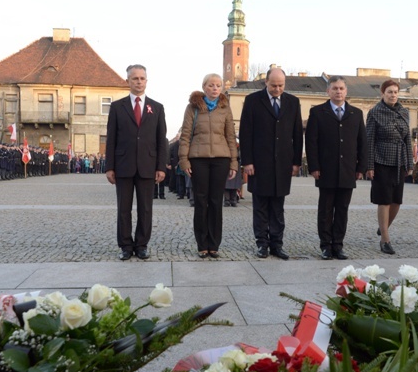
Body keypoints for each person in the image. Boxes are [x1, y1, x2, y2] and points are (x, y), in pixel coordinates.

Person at [239, 68, 303, 260]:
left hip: (283, 164)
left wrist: (296, 162)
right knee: (260, 207)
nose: (277, 89)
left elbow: (297, 134)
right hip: (259, 163)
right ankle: (262, 244)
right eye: (273, 85)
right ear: (265, 82)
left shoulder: (293, 102)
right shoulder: (252, 101)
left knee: (278, 207)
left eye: (281, 85)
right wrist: (247, 161)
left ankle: (277, 244)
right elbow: (245, 133)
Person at [105, 64, 167, 261]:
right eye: (135, 78)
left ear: (146, 81)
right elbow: (111, 138)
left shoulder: (156, 108)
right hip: (123, 165)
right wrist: (109, 167)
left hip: (148, 165)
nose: (139, 82)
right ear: (128, 81)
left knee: (145, 208)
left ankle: (141, 245)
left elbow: (161, 140)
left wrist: (161, 166)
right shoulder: (117, 107)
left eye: (142, 78)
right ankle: (125, 245)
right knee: (124, 209)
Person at [305, 76, 367, 260]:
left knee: (342, 210)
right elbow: (311, 142)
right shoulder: (317, 112)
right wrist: (314, 166)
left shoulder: (356, 113)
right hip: (325, 169)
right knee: (325, 210)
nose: (338, 91)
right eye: (334, 88)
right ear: (328, 91)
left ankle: (338, 245)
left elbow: (362, 142)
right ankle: (325, 245)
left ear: (346, 91)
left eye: (341, 88)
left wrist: (361, 167)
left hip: (348, 169)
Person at [178, 74, 238, 258]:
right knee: (201, 201)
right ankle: (202, 244)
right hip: (199, 159)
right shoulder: (193, 107)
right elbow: (186, 135)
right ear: (204, 87)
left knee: (216, 201)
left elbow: (230, 136)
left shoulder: (225, 107)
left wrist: (234, 162)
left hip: (221, 159)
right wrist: (184, 160)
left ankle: (214, 244)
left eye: (218, 85)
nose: (215, 88)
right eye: (211, 85)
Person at [365, 80, 413, 255]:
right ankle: (385, 239)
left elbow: (407, 138)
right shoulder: (374, 113)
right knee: (384, 200)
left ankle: (383, 226)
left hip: (399, 160)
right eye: (389, 92)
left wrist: (410, 163)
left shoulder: (404, 112)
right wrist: (369, 165)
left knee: (396, 201)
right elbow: (369, 140)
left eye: (395, 92)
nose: (393, 95)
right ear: (383, 94)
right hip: (381, 160)